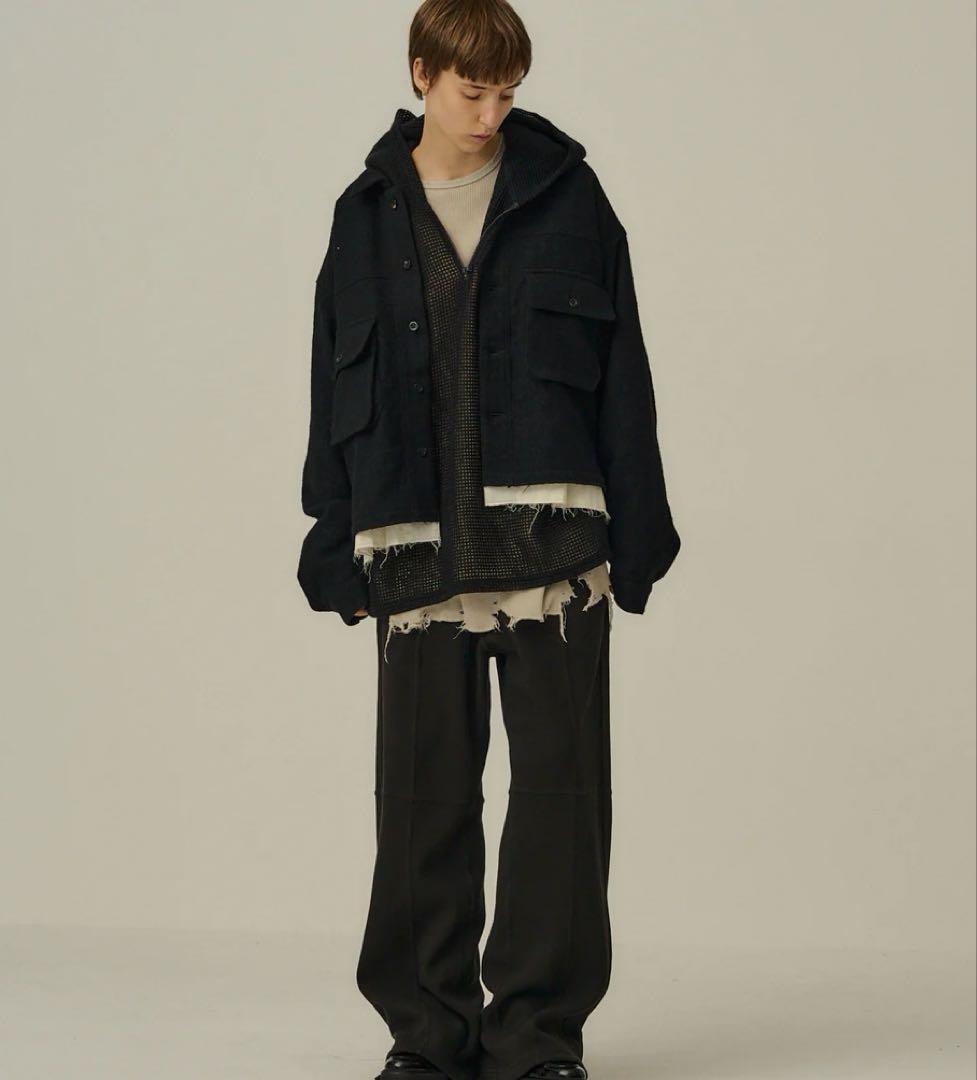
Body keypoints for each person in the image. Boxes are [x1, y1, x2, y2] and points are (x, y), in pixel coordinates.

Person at [297, 2, 681, 1077]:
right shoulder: (363, 216)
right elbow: (330, 380)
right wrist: (331, 535)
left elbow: (624, 374)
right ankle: (426, 1041)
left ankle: (538, 1041)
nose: (490, 113)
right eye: (472, 90)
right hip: (413, 554)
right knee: (419, 807)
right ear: (422, 72)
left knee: (562, 805)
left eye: (507, 92)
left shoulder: (568, 198)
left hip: (553, 554)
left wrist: (640, 529)